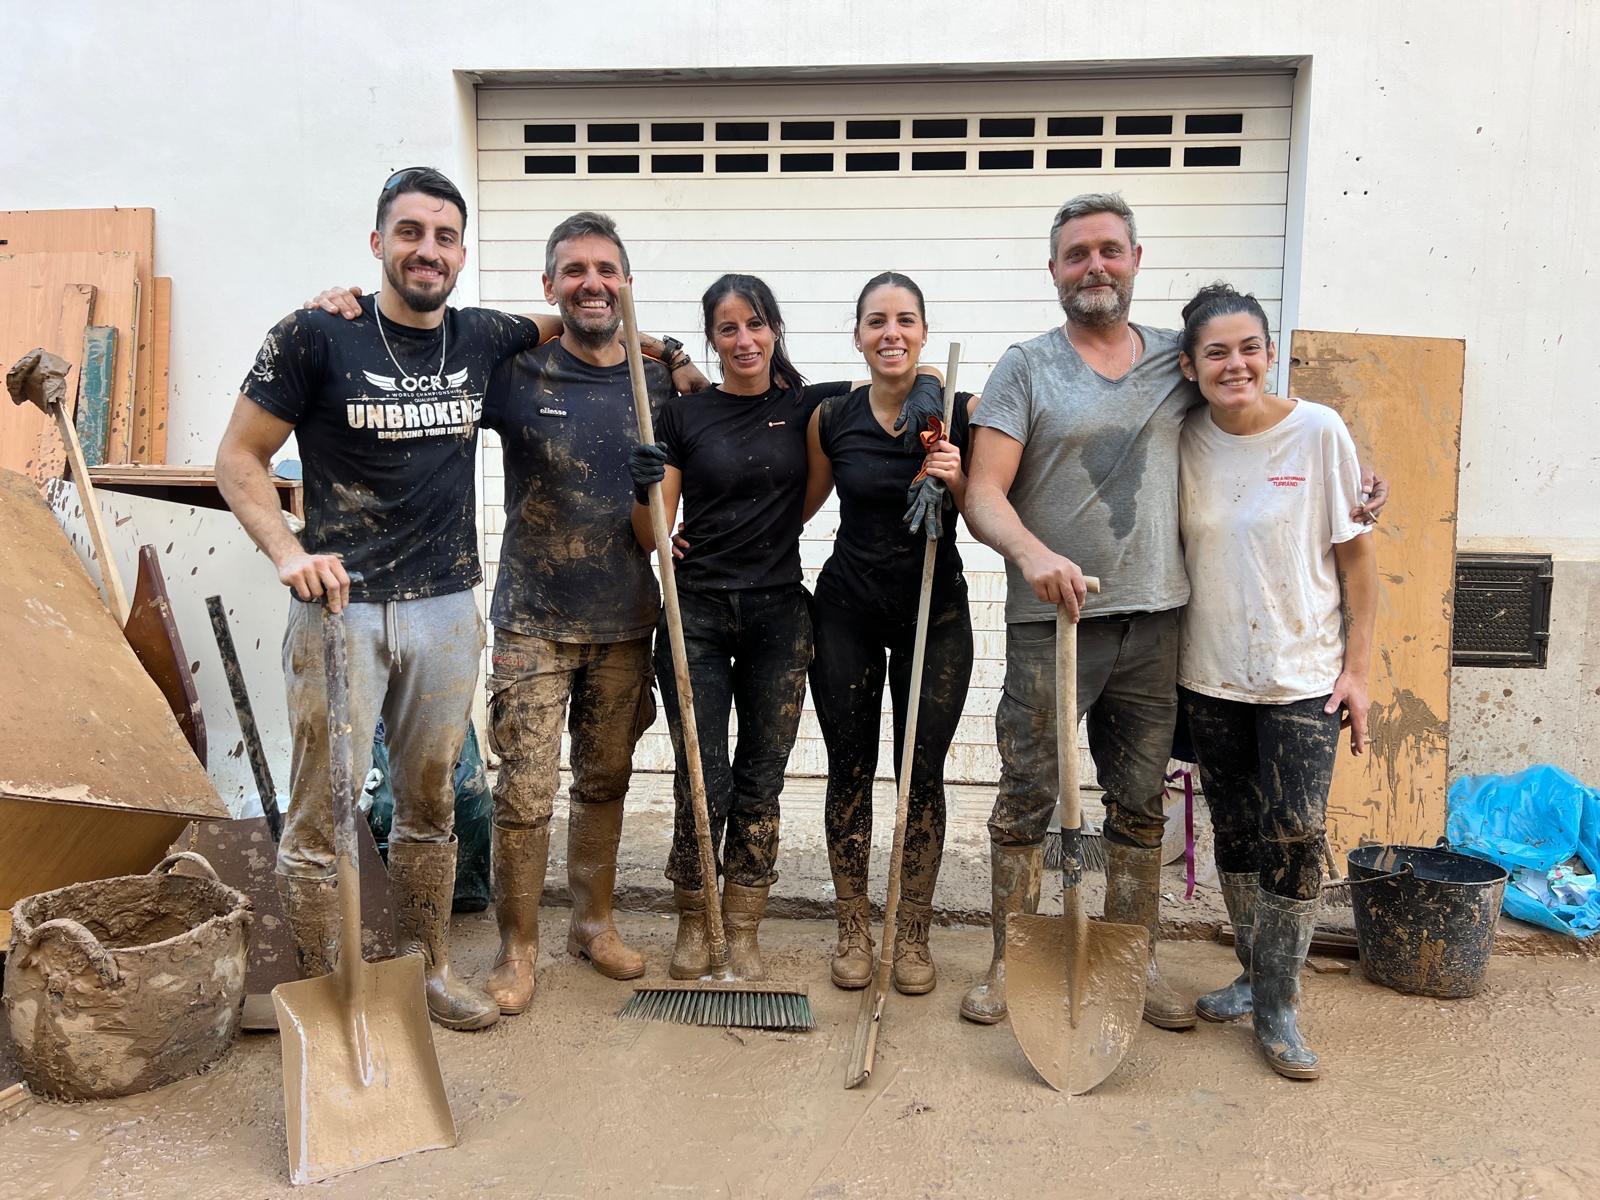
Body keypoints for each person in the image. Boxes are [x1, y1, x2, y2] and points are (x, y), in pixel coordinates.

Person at [961, 192, 1387, 1032]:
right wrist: (1033, 553)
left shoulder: (1176, 360)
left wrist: (1357, 476)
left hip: (1156, 627)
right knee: (1028, 796)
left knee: (1138, 805)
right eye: (1077, 254)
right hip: (1053, 627)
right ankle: (1011, 962)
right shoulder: (1027, 367)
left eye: (1109, 251)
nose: (1095, 267)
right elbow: (983, 493)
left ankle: (1133, 962)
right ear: (1054, 271)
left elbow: (1261, 412)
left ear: (1135, 259)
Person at [217, 167, 546, 1031]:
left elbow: (575, 319)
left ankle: (426, 970)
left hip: (445, 608)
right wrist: (290, 554)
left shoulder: (483, 336)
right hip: (342, 610)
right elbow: (238, 460)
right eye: (409, 233)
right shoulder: (315, 336)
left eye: (443, 237)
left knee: (430, 807)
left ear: (462, 254)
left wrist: (667, 354)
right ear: (377, 244)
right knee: (326, 813)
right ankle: (333, 997)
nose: (426, 250)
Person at [1174, 282, 1376, 1080]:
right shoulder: (1185, 437)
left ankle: (1281, 1004)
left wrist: (1359, 672)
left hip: (1302, 677)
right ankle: (1253, 972)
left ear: (1270, 351)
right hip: (1211, 674)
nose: (1235, 364)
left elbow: (1359, 559)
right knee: (1236, 831)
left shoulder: (1318, 432)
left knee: (1295, 833)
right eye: (1216, 352)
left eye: (1249, 347)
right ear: (1190, 365)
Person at [475, 212, 675, 1014]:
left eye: (607, 270)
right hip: (532, 618)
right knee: (524, 792)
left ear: (627, 282)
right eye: (574, 270)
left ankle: (591, 923)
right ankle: (516, 945)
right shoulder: (517, 372)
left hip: (626, 618)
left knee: (606, 779)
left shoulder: (658, 383)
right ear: (550, 286)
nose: (592, 282)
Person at [627, 275, 848, 981]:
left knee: (761, 777)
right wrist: (644, 488)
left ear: (775, 328)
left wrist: (932, 395)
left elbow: (905, 373)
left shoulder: (809, 406)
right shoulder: (686, 415)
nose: (744, 340)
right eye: (728, 329)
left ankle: (745, 925)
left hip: (780, 614)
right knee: (703, 775)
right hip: (696, 614)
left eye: (755, 324)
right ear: (715, 339)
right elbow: (651, 532)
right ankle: (697, 920)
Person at [805, 272, 975, 996]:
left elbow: (994, 503)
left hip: (934, 614)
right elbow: (797, 506)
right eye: (877, 321)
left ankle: (911, 932)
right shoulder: (832, 416)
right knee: (849, 767)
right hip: (845, 608)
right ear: (858, 335)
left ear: (925, 332)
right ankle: (853, 924)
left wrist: (955, 478)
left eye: (906, 320)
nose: (891, 333)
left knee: (921, 775)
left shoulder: (961, 410)